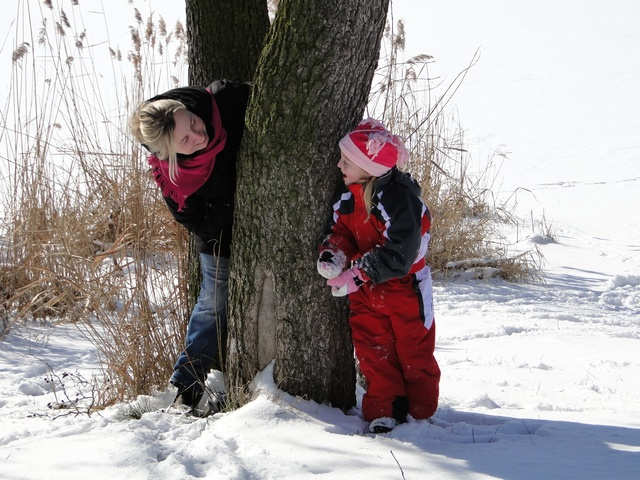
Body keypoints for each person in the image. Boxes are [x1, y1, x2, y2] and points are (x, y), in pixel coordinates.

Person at [129, 80, 250, 412]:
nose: (199, 135)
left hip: (267, 224)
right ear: (168, 152)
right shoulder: (172, 175)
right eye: (186, 139)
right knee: (213, 304)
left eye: (194, 123)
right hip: (217, 238)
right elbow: (190, 218)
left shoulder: (225, 102)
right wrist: (225, 218)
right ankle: (187, 383)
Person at [317, 118, 440, 433]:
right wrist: (335, 253)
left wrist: (359, 274)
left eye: (347, 161)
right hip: (368, 294)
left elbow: (402, 251)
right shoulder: (350, 197)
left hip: (405, 289)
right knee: (373, 349)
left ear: (368, 167)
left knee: (414, 349)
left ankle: (420, 413)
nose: (338, 164)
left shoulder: (400, 200)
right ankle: (383, 410)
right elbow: (343, 231)